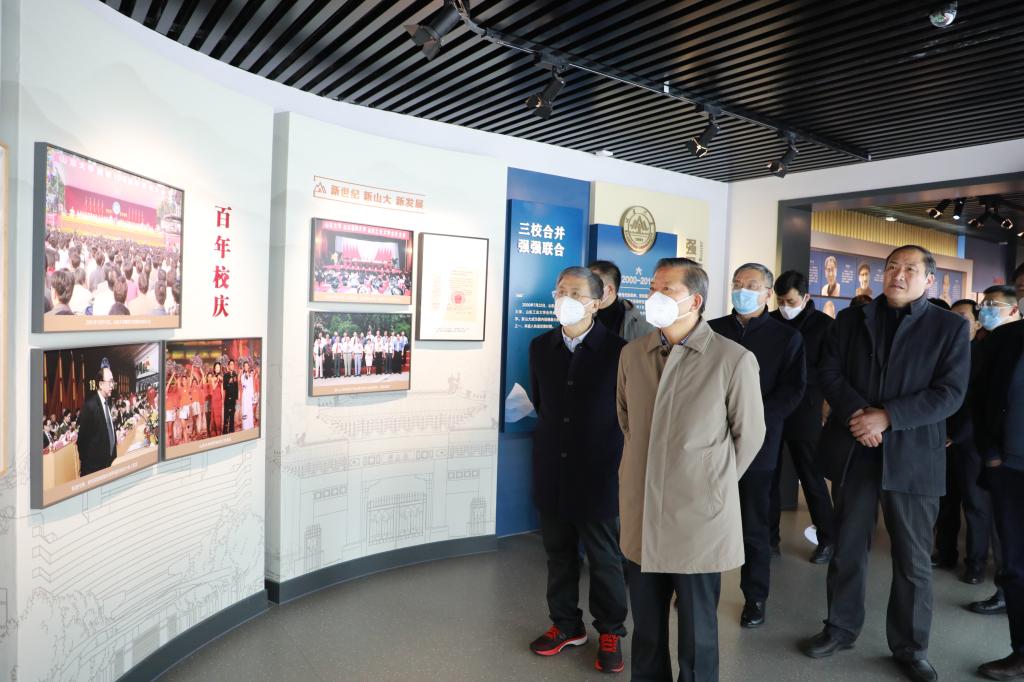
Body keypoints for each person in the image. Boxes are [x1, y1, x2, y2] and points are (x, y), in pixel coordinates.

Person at [800, 245, 969, 682]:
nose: (898, 274)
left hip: (913, 456)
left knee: (913, 558)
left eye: (910, 269)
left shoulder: (949, 327)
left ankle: (911, 647)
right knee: (848, 547)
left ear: (928, 280)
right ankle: (840, 628)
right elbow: (828, 372)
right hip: (856, 449)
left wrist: (889, 417)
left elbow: (950, 393)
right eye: (892, 266)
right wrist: (861, 416)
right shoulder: (851, 319)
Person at [618, 257, 766, 681]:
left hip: (699, 515)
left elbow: (749, 435)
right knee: (646, 627)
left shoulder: (732, 359)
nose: (654, 296)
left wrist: (710, 481)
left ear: (695, 301)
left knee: (698, 630)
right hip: (642, 508)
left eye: (667, 290)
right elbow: (626, 421)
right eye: (652, 288)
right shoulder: (633, 354)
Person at [526, 266, 628, 674]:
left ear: (597, 302)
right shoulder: (540, 347)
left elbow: (628, 413)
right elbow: (542, 402)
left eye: (575, 293)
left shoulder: (621, 351)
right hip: (553, 465)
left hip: (599, 469)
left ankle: (611, 631)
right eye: (560, 291)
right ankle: (566, 625)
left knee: (605, 557)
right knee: (558, 553)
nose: (564, 299)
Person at [709, 263, 806, 628]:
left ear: (767, 294)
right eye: (737, 283)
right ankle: (700, 590)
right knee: (707, 519)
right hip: (710, 441)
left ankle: (755, 597)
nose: (742, 290)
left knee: (754, 525)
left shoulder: (786, 337)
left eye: (751, 285)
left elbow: (792, 390)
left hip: (759, 445)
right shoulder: (711, 330)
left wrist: (751, 418)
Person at [769, 270, 837, 564]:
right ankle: (769, 538)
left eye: (791, 301)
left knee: (811, 476)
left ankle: (828, 539)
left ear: (806, 297)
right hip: (772, 407)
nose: (785, 306)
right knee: (768, 476)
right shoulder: (769, 321)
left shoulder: (824, 326)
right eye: (781, 301)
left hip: (805, 408)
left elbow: (829, 369)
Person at [972, 314, 1024, 680]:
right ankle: (1021, 652)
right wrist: (990, 454)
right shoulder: (1005, 339)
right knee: (1016, 567)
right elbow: (981, 398)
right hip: (1011, 470)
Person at [933, 298, 992, 585]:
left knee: (974, 505)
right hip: (941, 440)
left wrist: (956, 435)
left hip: (970, 443)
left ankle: (976, 563)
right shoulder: (942, 354)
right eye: (952, 315)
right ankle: (945, 553)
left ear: (977, 324)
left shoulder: (984, 356)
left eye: (963, 317)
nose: (955, 321)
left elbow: (979, 404)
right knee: (945, 501)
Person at [589, 260, 656, 341]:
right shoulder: (580, 315)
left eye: (592, 286)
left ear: (609, 289)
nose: (586, 290)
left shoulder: (641, 327)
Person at [78, 363, 118, 476]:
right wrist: (88, 468)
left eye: (113, 382)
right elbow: (82, 442)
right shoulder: (90, 407)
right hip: (95, 469)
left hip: (110, 463)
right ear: (100, 384)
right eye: (110, 382)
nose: (112, 385)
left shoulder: (107, 403)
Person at [223, 359, 239, 434]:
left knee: (232, 414)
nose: (232, 366)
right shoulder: (226, 375)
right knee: (227, 414)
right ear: (228, 366)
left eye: (233, 364)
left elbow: (236, 387)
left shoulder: (235, 375)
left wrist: (236, 397)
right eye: (231, 364)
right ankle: (225, 431)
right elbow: (224, 387)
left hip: (233, 399)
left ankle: (231, 430)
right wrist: (228, 382)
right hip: (227, 398)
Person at [240, 361, 255, 430]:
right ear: (243, 367)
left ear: (248, 367)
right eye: (245, 366)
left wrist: (252, 397)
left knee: (250, 411)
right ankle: (245, 427)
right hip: (245, 396)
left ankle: (250, 426)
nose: (246, 367)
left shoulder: (251, 376)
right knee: (245, 411)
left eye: (247, 366)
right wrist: (246, 376)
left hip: (250, 396)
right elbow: (244, 385)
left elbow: (252, 387)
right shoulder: (242, 376)